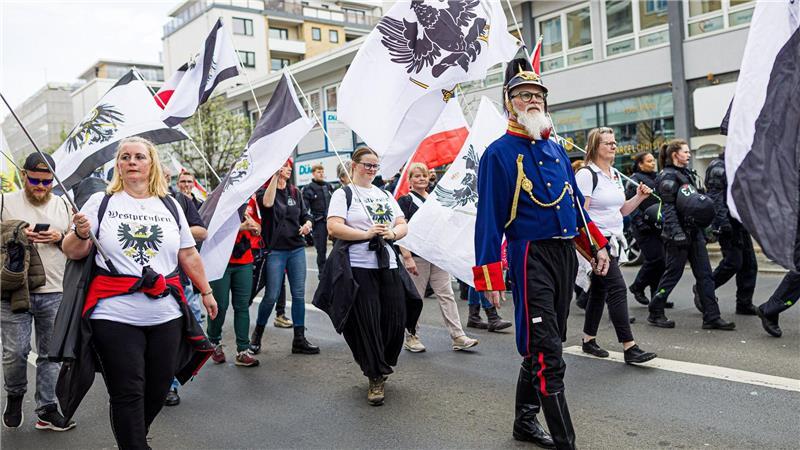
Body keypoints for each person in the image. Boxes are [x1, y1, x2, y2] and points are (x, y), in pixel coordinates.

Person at [473, 58, 610, 449]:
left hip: (564, 255)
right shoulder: (498, 154)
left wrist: (595, 245)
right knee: (550, 354)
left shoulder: (555, 150)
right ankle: (568, 443)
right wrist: (489, 278)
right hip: (529, 255)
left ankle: (524, 423)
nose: (532, 101)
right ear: (509, 100)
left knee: (545, 343)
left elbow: (575, 210)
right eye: (524, 95)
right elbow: (488, 220)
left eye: (538, 95)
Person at [61, 137, 218, 449]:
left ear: (151, 163)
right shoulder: (101, 203)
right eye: (125, 157)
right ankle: (134, 444)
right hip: (114, 313)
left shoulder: (171, 204)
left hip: (166, 314)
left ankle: (133, 436)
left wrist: (206, 290)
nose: (132, 162)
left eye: (139, 157)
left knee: (158, 388)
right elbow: (73, 250)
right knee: (128, 391)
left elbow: (188, 255)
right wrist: (79, 233)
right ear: (118, 165)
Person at [315, 146, 421, 406]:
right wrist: (366, 234)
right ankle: (375, 375)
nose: (372, 170)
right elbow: (334, 226)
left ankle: (381, 362)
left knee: (395, 320)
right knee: (368, 322)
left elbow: (402, 222)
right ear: (354, 165)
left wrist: (393, 235)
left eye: (375, 166)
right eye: (367, 165)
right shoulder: (344, 194)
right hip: (359, 267)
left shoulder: (384, 194)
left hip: (388, 265)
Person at [1, 152, 75, 431]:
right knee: (16, 352)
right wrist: (15, 234)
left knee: (51, 354)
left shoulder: (65, 205)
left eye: (47, 182)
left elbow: (78, 243)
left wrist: (59, 238)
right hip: (13, 290)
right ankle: (15, 394)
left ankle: (47, 407)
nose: (41, 187)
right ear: (23, 175)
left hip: (55, 289)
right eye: (35, 180)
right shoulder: (5, 201)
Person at [575, 129, 657, 364]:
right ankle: (629, 347)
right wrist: (594, 247)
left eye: (614, 142)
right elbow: (581, 214)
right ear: (595, 146)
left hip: (613, 240)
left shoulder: (614, 174)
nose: (613, 146)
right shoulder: (586, 175)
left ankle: (588, 340)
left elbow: (620, 211)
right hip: (596, 243)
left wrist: (639, 198)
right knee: (618, 289)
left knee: (599, 292)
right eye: (608, 143)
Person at [649, 140, 736, 330]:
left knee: (705, 275)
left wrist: (708, 229)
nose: (689, 155)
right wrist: (677, 233)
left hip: (694, 233)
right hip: (676, 236)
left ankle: (712, 316)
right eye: (685, 152)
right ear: (675, 155)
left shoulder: (686, 174)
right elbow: (669, 209)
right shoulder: (668, 177)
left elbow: (697, 205)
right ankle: (655, 310)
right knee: (672, 275)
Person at [397, 163, 479, 351]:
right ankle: (411, 336)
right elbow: (402, 230)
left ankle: (458, 336)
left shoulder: (435, 199)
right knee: (415, 298)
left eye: (424, 175)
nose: (422, 179)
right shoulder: (405, 201)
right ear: (409, 180)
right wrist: (407, 257)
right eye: (417, 176)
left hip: (437, 255)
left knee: (447, 295)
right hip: (417, 257)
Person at [250, 159, 319, 355]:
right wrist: (273, 176)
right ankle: (257, 334)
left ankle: (299, 339)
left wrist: (308, 224)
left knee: (298, 295)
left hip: (296, 249)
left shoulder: (295, 192)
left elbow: (306, 215)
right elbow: (268, 203)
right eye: (284, 165)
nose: (288, 169)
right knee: (271, 295)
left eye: (289, 166)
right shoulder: (264, 192)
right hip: (275, 251)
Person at [162, 167, 208, 407]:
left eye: (166, 177)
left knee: (178, 335)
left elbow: (201, 232)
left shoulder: (179, 201)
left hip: (179, 283)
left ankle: (170, 385)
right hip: (138, 288)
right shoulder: (124, 204)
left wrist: (206, 292)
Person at [206, 198, 260, 367]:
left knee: (242, 306)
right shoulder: (220, 203)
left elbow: (257, 229)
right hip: (221, 262)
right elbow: (211, 230)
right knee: (219, 306)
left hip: (244, 261)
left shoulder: (250, 203)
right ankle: (214, 342)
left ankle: (242, 350)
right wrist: (241, 227)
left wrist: (255, 229)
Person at [704, 153, 758, 315]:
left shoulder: (738, 166)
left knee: (749, 265)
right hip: (727, 223)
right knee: (733, 262)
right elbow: (716, 198)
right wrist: (723, 223)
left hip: (740, 222)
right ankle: (704, 291)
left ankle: (744, 303)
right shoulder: (719, 167)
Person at [625, 152, 667, 307]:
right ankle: (638, 286)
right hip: (643, 227)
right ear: (640, 164)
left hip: (657, 226)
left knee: (661, 262)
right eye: (649, 161)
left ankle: (657, 297)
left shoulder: (656, 177)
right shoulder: (634, 181)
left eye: (653, 160)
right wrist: (639, 222)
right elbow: (631, 203)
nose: (653, 163)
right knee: (655, 259)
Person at [302, 164, 335, 275]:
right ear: (313, 173)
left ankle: (336, 271)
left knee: (337, 247)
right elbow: (305, 209)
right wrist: (308, 223)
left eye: (322, 171)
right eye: (318, 172)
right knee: (321, 250)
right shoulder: (308, 188)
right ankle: (323, 274)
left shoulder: (329, 186)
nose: (321, 173)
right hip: (318, 222)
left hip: (331, 221)